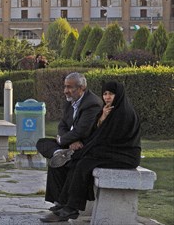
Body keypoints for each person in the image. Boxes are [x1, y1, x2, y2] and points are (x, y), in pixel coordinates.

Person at [40, 81, 141, 222]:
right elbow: (99, 135)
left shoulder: (123, 112)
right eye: (105, 94)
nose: (107, 97)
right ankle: (65, 203)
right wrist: (101, 119)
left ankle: (72, 208)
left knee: (83, 163)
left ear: (118, 95)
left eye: (111, 94)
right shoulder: (108, 110)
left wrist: (88, 148)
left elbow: (110, 139)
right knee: (76, 160)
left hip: (125, 155)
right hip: (110, 151)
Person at [35, 73, 103, 216]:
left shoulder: (92, 103)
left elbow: (82, 131)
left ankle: (68, 205)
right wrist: (68, 141)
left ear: (82, 88)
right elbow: (62, 125)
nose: (65, 91)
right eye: (65, 86)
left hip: (84, 146)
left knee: (68, 163)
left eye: (69, 87)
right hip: (70, 143)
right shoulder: (70, 102)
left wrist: (62, 141)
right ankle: (57, 154)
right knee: (42, 143)